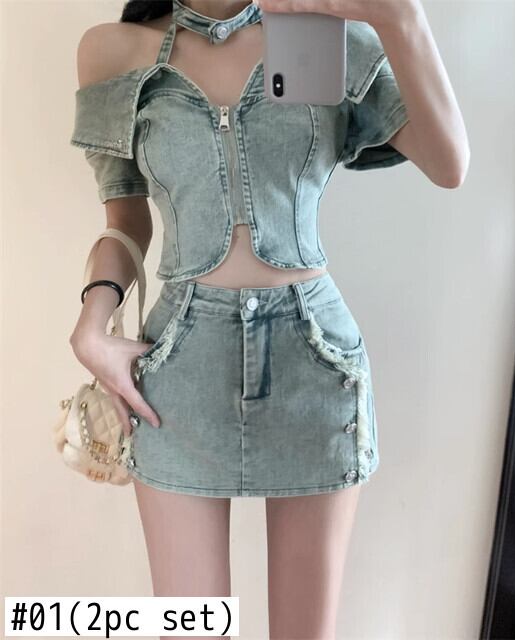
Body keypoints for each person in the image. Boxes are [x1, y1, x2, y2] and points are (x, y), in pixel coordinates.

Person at [68, 0, 469, 637]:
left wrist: (403, 18)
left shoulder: (318, 36)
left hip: (315, 361)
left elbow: (449, 165)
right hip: (179, 371)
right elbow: (125, 222)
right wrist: (94, 323)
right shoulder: (114, 51)